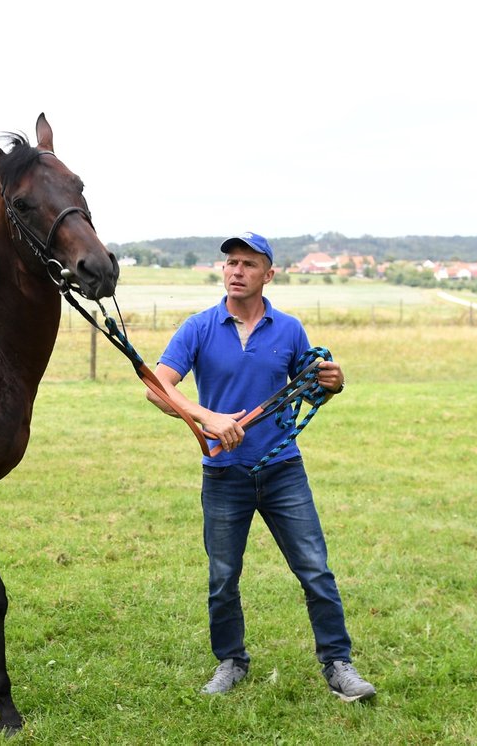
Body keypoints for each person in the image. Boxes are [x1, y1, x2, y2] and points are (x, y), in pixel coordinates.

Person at [146, 232, 376, 702]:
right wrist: (207, 418)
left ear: (268, 275)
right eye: (231, 262)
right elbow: (157, 386)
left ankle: (338, 664)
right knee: (223, 576)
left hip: (283, 471)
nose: (236, 270)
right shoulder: (199, 327)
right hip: (224, 474)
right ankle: (231, 661)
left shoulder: (289, 330)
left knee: (315, 569)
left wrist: (333, 382)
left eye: (248, 264)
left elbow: (309, 389)